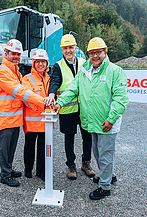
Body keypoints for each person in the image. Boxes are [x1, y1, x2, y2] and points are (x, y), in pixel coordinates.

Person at [54, 37, 129, 200]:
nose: (95, 56)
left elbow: (120, 99)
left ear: (105, 52)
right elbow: (73, 89)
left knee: (105, 154)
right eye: (92, 53)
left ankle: (104, 187)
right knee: (97, 152)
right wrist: (59, 102)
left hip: (107, 123)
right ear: (88, 54)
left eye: (98, 52)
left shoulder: (114, 71)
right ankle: (109, 175)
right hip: (92, 122)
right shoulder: (85, 71)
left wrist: (111, 119)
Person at [0, 39, 46, 187]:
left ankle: (8, 169)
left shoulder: (14, 71)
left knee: (11, 147)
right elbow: (21, 92)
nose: (16, 56)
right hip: (5, 118)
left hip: (13, 117)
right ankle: (5, 175)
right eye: (13, 54)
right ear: (6, 53)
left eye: (18, 54)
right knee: (4, 148)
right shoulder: (4, 72)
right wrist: (42, 102)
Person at [45, 34, 94, 180]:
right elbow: (55, 82)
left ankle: (86, 163)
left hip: (84, 108)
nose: (68, 51)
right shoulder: (58, 65)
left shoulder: (84, 62)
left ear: (75, 48)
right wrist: (52, 95)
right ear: (62, 50)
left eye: (71, 47)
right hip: (66, 109)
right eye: (65, 48)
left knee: (87, 136)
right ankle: (71, 165)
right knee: (69, 138)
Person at [22, 49, 51, 181]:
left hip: (46, 120)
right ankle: (28, 169)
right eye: (37, 62)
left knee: (43, 148)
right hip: (32, 120)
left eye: (43, 62)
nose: (40, 64)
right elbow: (27, 98)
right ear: (33, 63)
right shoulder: (27, 78)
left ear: (46, 63)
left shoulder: (49, 78)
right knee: (29, 146)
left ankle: (41, 172)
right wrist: (44, 104)